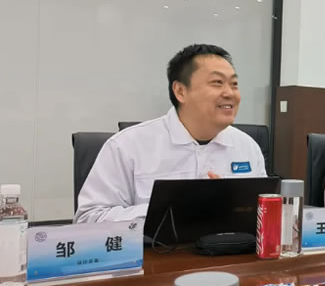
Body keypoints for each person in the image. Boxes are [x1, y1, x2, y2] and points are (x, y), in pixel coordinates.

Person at [75, 44, 267, 223]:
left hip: (230, 248)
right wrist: (170, 208)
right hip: (153, 249)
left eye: (234, 84)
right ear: (180, 91)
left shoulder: (247, 146)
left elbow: (263, 216)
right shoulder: (127, 146)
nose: (230, 93)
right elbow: (88, 218)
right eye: (217, 82)